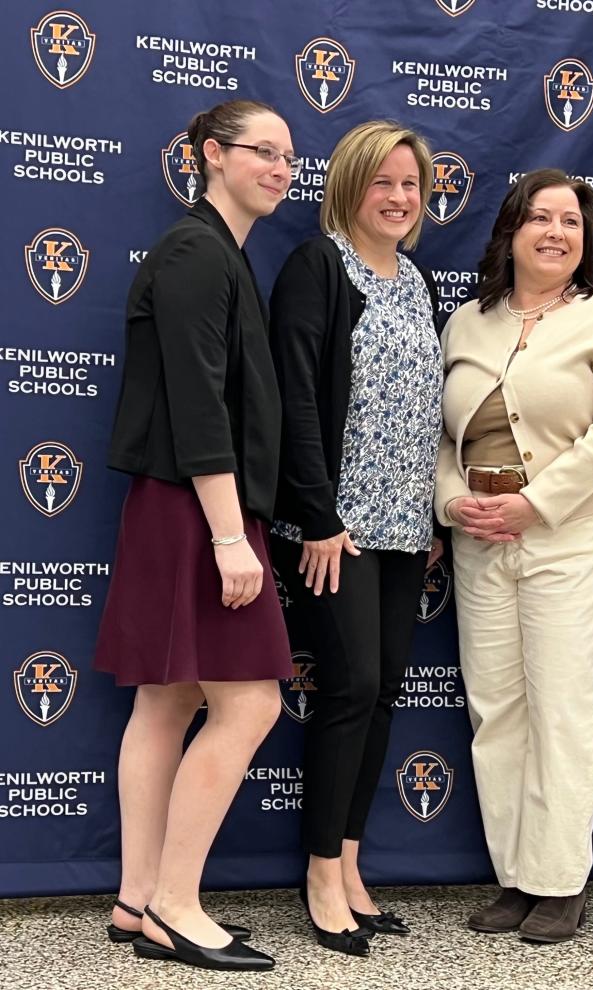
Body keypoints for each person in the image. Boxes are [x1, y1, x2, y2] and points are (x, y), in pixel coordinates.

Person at [93, 100, 299, 972]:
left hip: (186, 507)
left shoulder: (219, 255)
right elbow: (196, 401)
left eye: (291, 156)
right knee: (248, 703)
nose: (282, 168)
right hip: (196, 511)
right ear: (212, 156)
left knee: (170, 701)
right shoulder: (195, 252)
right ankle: (176, 902)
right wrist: (228, 537)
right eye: (264, 151)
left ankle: (139, 902)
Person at [435, 169, 593, 944]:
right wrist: (451, 501)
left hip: (574, 536)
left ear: (586, 238)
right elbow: (439, 436)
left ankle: (560, 882)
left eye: (571, 220)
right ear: (510, 232)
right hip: (480, 536)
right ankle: (516, 879)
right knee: (497, 711)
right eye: (539, 218)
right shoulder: (467, 322)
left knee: (567, 710)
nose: (555, 232)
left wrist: (537, 504)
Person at [269, 120, 443, 958]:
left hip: (408, 529)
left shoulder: (416, 281)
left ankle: (351, 863)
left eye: (412, 184)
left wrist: (432, 516)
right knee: (347, 690)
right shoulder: (318, 268)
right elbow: (295, 401)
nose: (401, 197)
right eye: (385, 182)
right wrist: (318, 516)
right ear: (350, 185)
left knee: (381, 696)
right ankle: (317, 875)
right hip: (337, 530)